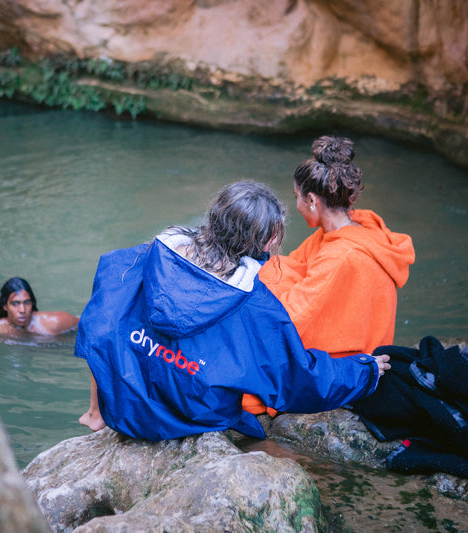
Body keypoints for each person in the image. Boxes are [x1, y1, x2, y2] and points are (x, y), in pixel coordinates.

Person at [75, 181, 390, 440]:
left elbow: (98, 327)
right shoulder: (255, 304)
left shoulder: (145, 256)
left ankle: (94, 415)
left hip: (124, 407)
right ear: (267, 240)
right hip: (191, 415)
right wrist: (364, 370)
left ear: (214, 216)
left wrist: (100, 404)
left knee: (110, 323)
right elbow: (298, 378)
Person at [243, 136, 414, 416]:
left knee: (243, 373)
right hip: (365, 341)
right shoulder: (358, 230)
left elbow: (291, 318)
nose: (297, 204)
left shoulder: (339, 256)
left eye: (297, 196)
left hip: (347, 361)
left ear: (311, 199)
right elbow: (289, 267)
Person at [0, 277, 79, 337]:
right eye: (15, 304)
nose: (22, 310)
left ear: (32, 303)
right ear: (5, 306)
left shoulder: (55, 322)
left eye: (27, 303)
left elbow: (88, 324)